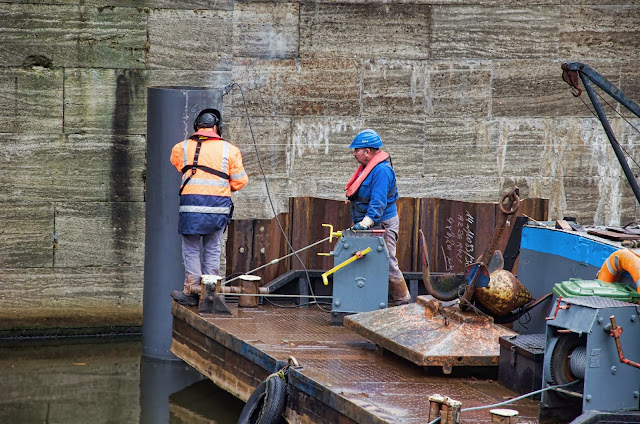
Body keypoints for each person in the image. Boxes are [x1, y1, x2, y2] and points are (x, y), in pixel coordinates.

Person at [169, 109, 248, 306]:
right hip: (217, 208)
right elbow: (240, 182)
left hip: (191, 209)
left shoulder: (182, 147)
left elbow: (178, 165)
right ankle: (210, 292)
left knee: (191, 249)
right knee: (213, 248)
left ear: (197, 126)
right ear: (217, 128)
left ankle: (192, 291)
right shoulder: (230, 150)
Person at [345, 129, 411, 306]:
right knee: (365, 259)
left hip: (381, 223)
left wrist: (366, 222)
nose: (354, 153)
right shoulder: (368, 168)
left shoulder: (381, 171)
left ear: (367, 151)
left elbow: (378, 201)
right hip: (369, 223)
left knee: (387, 261)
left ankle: (402, 301)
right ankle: (369, 301)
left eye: (356, 150)